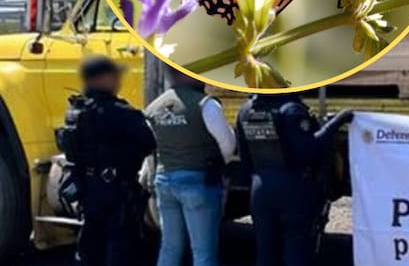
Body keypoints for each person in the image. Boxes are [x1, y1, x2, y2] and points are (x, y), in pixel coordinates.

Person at [236, 93, 353, 266]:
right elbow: (308, 151)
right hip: (292, 187)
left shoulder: (245, 110)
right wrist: (336, 123)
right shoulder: (292, 110)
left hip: (260, 187)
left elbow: (244, 157)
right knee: (297, 250)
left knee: (266, 251)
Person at [61, 55, 157, 266]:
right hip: (115, 188)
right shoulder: (119, 112)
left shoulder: (76, 110)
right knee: (120, 245)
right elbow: (149, 141)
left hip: (86, 186)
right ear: (102, 79)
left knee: (90, 245)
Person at [144, 66, 237, 266]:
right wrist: (220, 163)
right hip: (198, 181)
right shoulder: (206, 104)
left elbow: (151, 145)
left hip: (164, 180)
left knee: (170, 247)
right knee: (203, 252)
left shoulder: (154, 107)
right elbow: (228, 144)